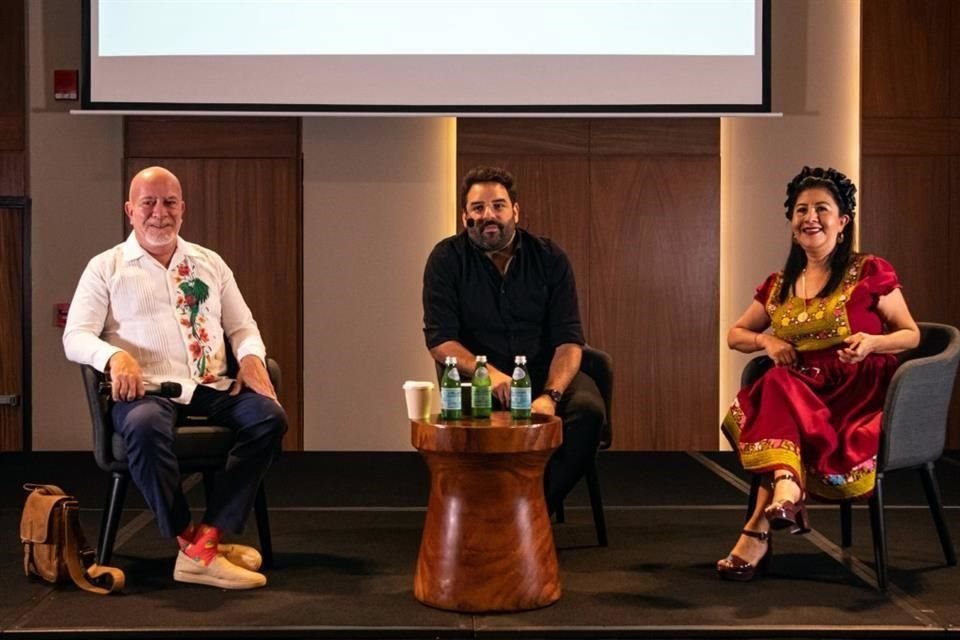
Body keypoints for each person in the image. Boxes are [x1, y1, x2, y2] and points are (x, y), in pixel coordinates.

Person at [63, 166, 286, 590]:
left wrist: (252, 357)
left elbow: (243, 326)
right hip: (146, 390)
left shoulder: (209, 263)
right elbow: (75, 336)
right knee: (145, 426)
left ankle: (210, 537)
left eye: (169, 203)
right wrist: (113, 356)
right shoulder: (105, 267)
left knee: (269, 418)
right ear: (130, 210)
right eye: (148, 203)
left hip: (210, 387)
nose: (159, 213)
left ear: (183, 208)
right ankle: (191, 545)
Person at [716, 166, 920, 581]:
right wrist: (768, 342)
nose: (810, 217)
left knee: (775, 390)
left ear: (842, 222)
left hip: (856, 389)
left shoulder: (869, 271)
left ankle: (757, 530)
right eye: (801, 210)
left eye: (822, 209)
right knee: (775, 381)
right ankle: (784, 493)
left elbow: (911, 335)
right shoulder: (779, 284)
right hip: (803, 387)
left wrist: (872, 342)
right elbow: (736, 334)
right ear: (792, 225)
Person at [421, 166, 605, 514]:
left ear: (515, 212)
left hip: (541, 375)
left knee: (588, 413)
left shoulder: (550, 259)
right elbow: (440, 339)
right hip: (477, 379)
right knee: (469, 422)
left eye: (498, 206)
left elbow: (568, 340)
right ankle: (483, 512)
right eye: (478, 208)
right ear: (465, 217)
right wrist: (487, 374)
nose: (488, 215)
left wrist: (550, 395)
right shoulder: (445, 260)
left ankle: (530, 511)